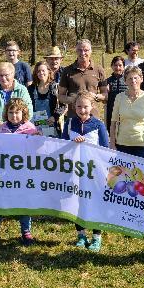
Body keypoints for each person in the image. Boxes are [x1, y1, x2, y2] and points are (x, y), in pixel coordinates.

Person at [0, 98, 40, 247]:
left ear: (24, 113)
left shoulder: (30, 128)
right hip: (4, 173)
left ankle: (26, 231)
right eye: (11, 112)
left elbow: (36, 150)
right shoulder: (2, 128)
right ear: (6, 113)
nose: (14, 116)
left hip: (23, 173)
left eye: (17, 112)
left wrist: (38, 138)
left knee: (23, 202)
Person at [62, 92, 110, 252]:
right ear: (74, 107)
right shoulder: (69, 123)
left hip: (94, 171)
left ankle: (96, 237)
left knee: (95, 202)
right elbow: (62, 145)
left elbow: (105, 149)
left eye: (85, 107)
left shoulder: (98, 125)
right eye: (79, 107)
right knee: (78, 202)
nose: (82, 110)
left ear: (92, 107)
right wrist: (72, 143)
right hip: (75, 170)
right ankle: (81, 234)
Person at [110, 66, 144, 159]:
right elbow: (113, 123)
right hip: (122, 145)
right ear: (125, 81)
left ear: (141, 79)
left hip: (143, 146)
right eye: (130, 78)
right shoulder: (119, 97)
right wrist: (112, 144)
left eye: (136, 78)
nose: (133, 81)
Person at [58, 39, 108, 121]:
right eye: (79, 50)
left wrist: (95, 96)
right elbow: (60, 96)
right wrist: (71, 99)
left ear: (91, 51)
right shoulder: (67, 71)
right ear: (76, 51)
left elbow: (105, 95)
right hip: (73, 118)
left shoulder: (98, 69)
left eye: (86, 50)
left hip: (93, 116)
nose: (83, 53)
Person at [0, 62, 33, 133]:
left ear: (13, 74)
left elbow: (28, 109)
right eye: (0, 75)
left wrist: (16, 125)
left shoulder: (22, 89)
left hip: (19, 132)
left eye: (6, 75)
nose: (3, 78)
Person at [27, 61, 59, 135]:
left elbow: (63, 106)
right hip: (35, 126)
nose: (41, 73)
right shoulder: (31, 89)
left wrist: (55, 117)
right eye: (38, 71)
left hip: (51, 125)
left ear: (48, 71)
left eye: (43, 70)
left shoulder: (55, 87)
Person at [105, 56, 127, 130]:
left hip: (125, 111)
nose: (118, 68)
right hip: (111, 110)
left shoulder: (128, 80)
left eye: (120, 65)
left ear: (124, 67)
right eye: (115, 65)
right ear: (112, 66)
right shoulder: (107, 81)